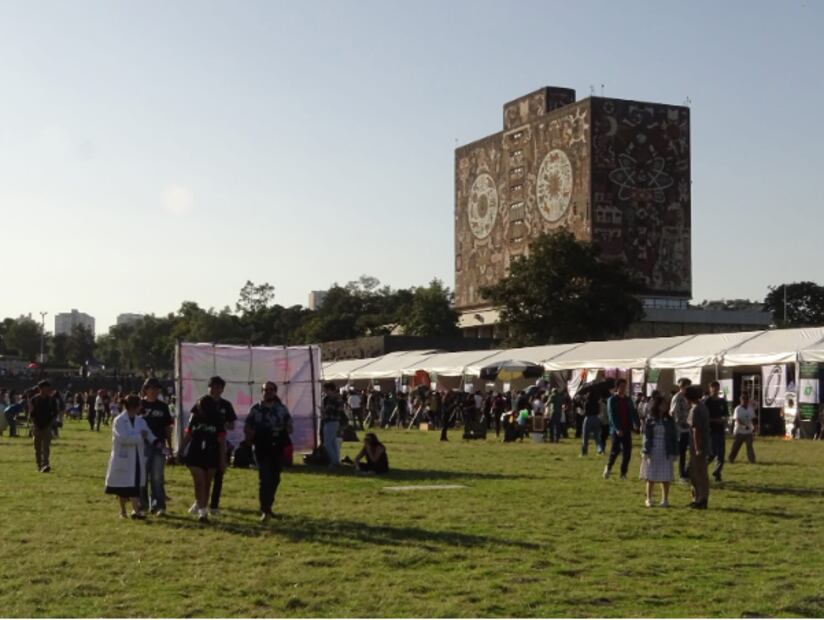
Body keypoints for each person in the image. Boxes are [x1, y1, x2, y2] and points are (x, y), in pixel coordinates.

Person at [244, 381, 293, 523]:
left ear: (275, 392)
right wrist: (249, 436)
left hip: (277, 447)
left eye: (271, 390)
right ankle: (264, 510)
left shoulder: (281, 409)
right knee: (265, 478)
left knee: (275, 478)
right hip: (261, 447)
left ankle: (268, 506)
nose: (268, 392)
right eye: (265, 390)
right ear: (262, 392)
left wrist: (287, 428)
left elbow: (290, 425)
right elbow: (247, 426)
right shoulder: (256, 408)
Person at [104, 394, 154, 519]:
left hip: (137, 457)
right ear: (134, 407)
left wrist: (157, 442)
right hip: (124, 457)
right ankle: (122, 511)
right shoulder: (119, 421)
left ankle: (136, 511)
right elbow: (123, 439)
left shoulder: (140, 420)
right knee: (122, 486)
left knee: (135, 484)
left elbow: (148, 433)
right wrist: (139, 437)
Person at [179, 394, 226, 523]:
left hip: (212, 453)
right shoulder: (195, 418)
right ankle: (202, 510)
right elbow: (189, 434)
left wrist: (222, 459)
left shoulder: (217, 420)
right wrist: (181, 449)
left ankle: (202, 506)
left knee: (207, 482)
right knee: (199, 481)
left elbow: (222, 440)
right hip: (195, 453)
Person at [139, 378, 174, 516]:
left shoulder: (163, 407)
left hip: (159, 445)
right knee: (142, 476)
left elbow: (167, 428)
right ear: (145, 389)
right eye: (150, 388)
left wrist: (170, 447)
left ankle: (159, 505)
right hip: (142, 446)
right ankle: (142, 504)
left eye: (156, 388)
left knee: (157, 476)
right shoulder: (140, 405)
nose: (153, 391)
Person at [639, 394, 678, 507]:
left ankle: (665, 500)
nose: (665, 406)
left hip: (666, 449)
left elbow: (673, 436)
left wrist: (675, 452)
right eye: (663, 404)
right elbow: (646, 436)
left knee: (665, 477)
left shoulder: (669, 420)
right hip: (653, 448)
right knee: (650, 476)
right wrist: (646, 451)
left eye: (666, 404)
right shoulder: (650, 419)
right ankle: (649, 499)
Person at [604, 379, 639, 480]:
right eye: (622, 386)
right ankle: (608, 468)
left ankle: (623, 473)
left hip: (627, 429)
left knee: (627, 452)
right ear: (617, 387)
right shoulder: (612, 400)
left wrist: (636, 424)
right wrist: (617, 428)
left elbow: (633, 412)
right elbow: (612, 415)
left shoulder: (628, 400)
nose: (624, 388)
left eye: (625, 386)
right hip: (616, 430)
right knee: (615, 451)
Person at [685, 385, 711, 509]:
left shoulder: (695, 410)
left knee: (698, 473)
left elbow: (696, 430)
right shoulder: (703, 407)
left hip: (698, 446)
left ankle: (701, 499)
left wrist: (696, 447)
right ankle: (698, 497)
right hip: (703, 444)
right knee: (698, 472)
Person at [29, 380, 58, 473]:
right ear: (40, 389)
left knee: (46, 447)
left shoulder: (51, 400)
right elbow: (32, 414)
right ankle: (39, 465)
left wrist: (51, 424)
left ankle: (45, 464)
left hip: (47, 426)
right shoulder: (34, 400)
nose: (47, 390)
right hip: (36, 426)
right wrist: (35, 425)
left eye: (48, 388)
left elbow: (54, 413)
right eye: (45, 388)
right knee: (37, 448)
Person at [705, 380, 729, 482]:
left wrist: (724, 419)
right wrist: (715, 420)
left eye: (717, 387)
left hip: (720, 430)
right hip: (711, 431)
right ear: (710, 389)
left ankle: (717, 472)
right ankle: (700, 468)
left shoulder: (722, 401)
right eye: (713, 387)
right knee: (712, 454)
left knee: (721, 454)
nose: (715, 389)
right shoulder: (706, 401)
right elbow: (705, 417)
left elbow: (726, 414)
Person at [669, 378, 692, 482]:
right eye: (687, 386)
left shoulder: (688, 398)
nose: (688, 388)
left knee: (690, 452)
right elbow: (673, 412)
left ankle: (687, 472)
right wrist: (681, 424)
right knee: (681, 453)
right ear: (681, 386)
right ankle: (682, 474)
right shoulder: (677, 397)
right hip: (680, 429)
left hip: (688, 428)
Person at [729, 392, 756, 464]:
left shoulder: (750, 408)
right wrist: (744, 426)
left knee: (749, 446)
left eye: (747, 400)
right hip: (739, 432)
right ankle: (731, 459)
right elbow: (737, 420)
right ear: (741, 400)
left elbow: (752, 419)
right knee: (736, 447)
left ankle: (752, 460)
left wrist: (753, 428)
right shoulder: (738, 409)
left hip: (748, 432)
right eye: (743, 400)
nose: (745, 401)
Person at [321, 382, 343, 467]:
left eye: (326, 390)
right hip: (335, 421)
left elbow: (328, 410)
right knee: (333, 442)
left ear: (330, 389)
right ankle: (336, 460)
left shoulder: (332, 399)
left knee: (327, 443)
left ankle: (335, 461)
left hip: (331, 421)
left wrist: (323, 410)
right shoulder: (337, 398)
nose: (325, 392)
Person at [580, 391, 604, 456]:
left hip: (588, 419)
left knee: (585, 436)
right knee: (597, 436)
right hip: (596, 418)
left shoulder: (587, 403)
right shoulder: (597, 403)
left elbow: (585, 413)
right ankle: (600, 449)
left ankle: (584, 452)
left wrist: (580, 412)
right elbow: (599, 411)